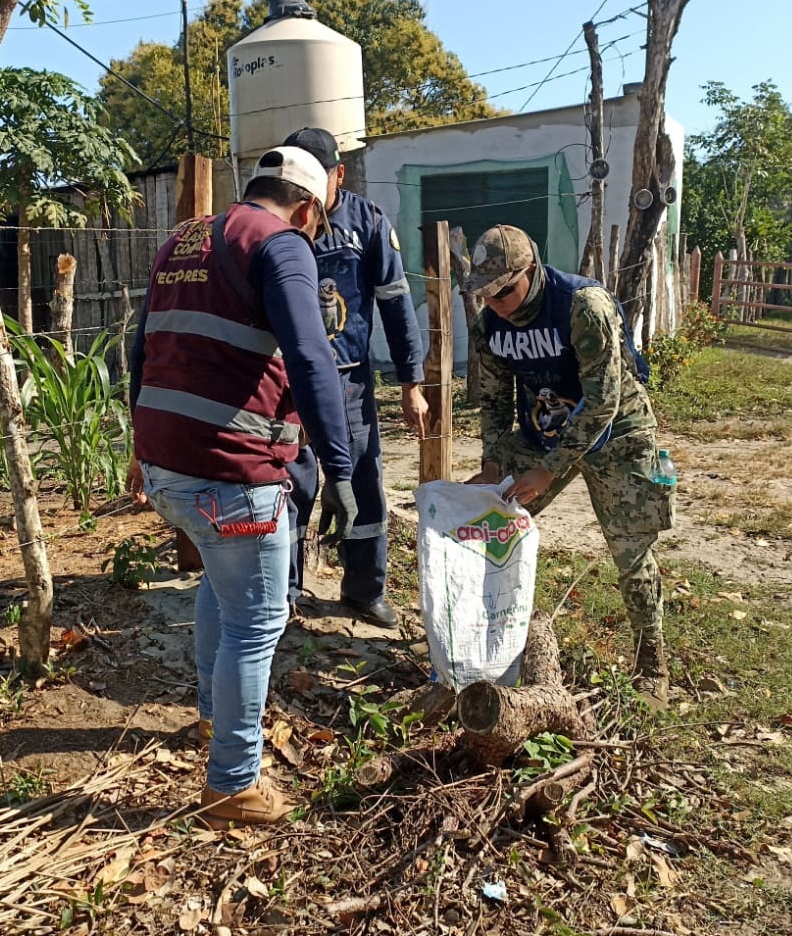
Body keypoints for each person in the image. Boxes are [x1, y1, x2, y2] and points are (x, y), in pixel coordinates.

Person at [127, 146, 358, 827]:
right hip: (229, 471)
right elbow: (313, 358)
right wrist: (341, 471)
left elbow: (139, 346)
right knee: (258, 618)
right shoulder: (282, 245)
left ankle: (210, 716)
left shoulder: (185, 238)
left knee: (222, 589)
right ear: (309, 206)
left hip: (169, 465)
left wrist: (139, 445)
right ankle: (232, 782)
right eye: (316, 223)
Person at [461, 225, 674, 701]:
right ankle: (484, 642)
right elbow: (493, 400)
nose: (496, 302)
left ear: (531, 270)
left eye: (505, 291)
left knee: (631, 552)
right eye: (486, 293)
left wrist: (550, 468)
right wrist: (494, 461)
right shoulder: (489, 324)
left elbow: (604, 402)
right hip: (544, 431)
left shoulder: (583, 307)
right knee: (489, 528)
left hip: (618, 433)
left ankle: (651, 666)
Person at [278, 127, 427, 629]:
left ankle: (364, 589)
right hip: (287, 382)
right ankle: (288, 591)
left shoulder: (368, 223)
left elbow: (396, 305)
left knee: (361, 483)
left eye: (319, 178)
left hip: (349, 382)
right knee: (292, 485)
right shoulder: (279, 220)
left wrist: (411, 382)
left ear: (339, 173)